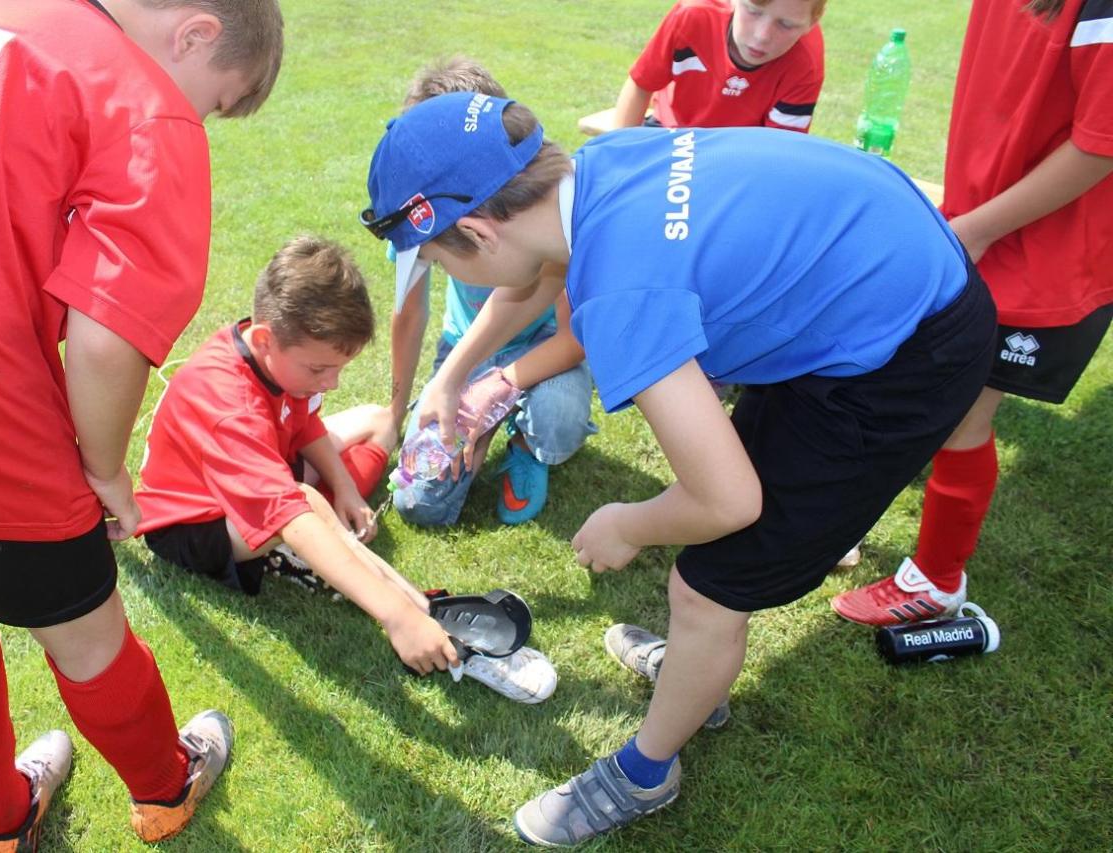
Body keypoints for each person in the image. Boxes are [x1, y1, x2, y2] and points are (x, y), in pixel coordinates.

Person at [358, 92, 996, 845]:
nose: (441, 268)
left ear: (475, 230)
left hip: (905, 354)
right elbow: (539, 272)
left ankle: (646, 770)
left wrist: (628, 523)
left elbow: (727, 500)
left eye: (437, 258)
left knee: (708, 586)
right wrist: (452, 377)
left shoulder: (623, 294)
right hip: (882, 276)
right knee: (718, 559)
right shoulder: (600, 166)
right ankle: (695, 679)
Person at [0, 0, 283, 849]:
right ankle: (164, 787)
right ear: (195, 34)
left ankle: (1, 823)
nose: (200, 121)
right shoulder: (137, 94)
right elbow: (109, 332)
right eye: (216, 103)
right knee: (84, 628)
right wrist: (105, 468)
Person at [135, 236, 557, 704]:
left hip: (261, 468)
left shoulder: (273, 356)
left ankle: (338, 560)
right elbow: (290, 514)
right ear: (265, 340)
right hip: (193, 523)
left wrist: (347, 491)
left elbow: (304, 423)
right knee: (306, 505)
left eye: (338, 368)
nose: (332, 383)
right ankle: (421, 609)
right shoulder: (228, 408)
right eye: (320, 370)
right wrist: (396, 616)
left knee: (379, 422)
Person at [831, 0, 1113, 626]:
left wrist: (978, 229)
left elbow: (1101, 144)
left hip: (1042, 250)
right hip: (980, 220)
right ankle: (833, 523)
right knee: (898, 375)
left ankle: (936, 582)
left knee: (960, 412)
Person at [386, 59, 596, 527]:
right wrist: (399, 411)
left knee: (558, 416)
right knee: (422, 501)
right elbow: (409, 314)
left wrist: (492, 388)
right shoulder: (416, 216)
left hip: (542, 349)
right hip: (467, 350)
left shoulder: (545, 221)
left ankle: (527, 445)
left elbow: (572, 336)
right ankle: (483, 433)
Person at [611, 0, 825, 132]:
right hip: (669, 130)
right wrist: (618, 153)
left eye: (786, 24)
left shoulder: (806, 61)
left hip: (742, 153)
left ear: (812, 22)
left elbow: (778, 148)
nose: (762, 36)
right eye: (753, 11)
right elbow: (642, 84)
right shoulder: (692, 15)